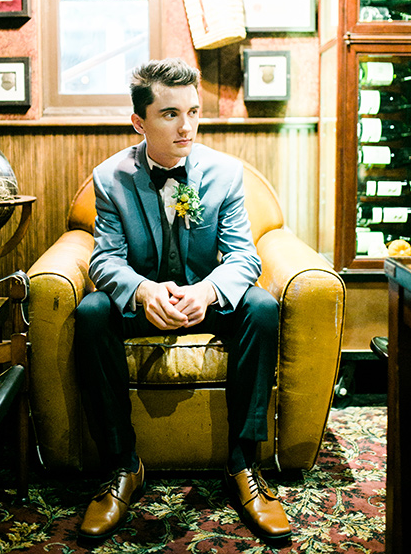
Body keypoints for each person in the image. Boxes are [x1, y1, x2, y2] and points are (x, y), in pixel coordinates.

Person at [74, 57, 291, 545]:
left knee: (261, 307)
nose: (187, 125)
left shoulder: (226, 173)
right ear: (139, 122)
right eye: (170, 114)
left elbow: (242, 257)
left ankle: (243, 466)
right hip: (142, 305)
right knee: (90, 312)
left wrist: (208, 290)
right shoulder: (110, 179)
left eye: (193, 111)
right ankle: (123, 466)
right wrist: (142, 290)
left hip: (202, 299)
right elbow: (104, 261)